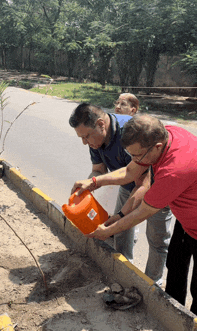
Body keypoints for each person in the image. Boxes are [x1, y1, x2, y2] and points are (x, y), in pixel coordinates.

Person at [73, 114, 197, 314]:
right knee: (175, 265)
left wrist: (108, 230)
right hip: (187, 220)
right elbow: (130, 172)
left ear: (156, 147)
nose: (134, 160)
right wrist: (95, 182)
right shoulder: (166, 135)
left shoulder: (173, 171)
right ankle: (173, 312)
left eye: (137, 155)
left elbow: (142, 212)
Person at [69, 102, 172, 286]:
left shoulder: (132, 134)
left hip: (158, 188)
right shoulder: (95, 138)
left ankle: (152, 284)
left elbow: (142, 185)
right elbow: (99, 171)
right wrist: (88, 185)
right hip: (128, 187)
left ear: (101, 124)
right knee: (121, 234)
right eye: (81, 138)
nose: (85, 142)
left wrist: (121, 217)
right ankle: (125, 274)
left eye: (86, 137)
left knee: (157, 239)